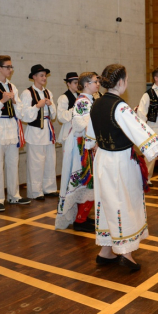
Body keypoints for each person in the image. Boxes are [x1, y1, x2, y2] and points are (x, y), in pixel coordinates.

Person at [91, 64, 158, 271]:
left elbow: (93, 138)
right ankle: (125, 253)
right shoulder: (120, 107)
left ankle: (106, 251)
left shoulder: (96, 104)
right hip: (119, 161)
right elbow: (146, 136)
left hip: (102, 160)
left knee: (108, 201)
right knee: (123, 203)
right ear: (122, 82)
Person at [0, 55, 29, 212]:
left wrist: (15, 102)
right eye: (7, 67)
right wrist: (1, 101)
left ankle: (14, 195)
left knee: (12, 162)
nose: (10, 69)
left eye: (11, 67)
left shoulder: (12, 87)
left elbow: (21, 113)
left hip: (12, 126)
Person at [56, 72, 100, 233]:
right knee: (86, 179)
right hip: (81, 146)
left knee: (87, 182)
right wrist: (93, 141)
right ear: (87, 84)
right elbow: (80, 124)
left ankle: (82, 217)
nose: (98, 84)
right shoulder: (82, 102)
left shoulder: (88, 100)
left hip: (85, 144)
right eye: (95, 81)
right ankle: (80, 220)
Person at [20, 64, 58, 200]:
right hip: (35, 131)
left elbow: (54, 115)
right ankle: (36, 191)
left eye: (45, 75)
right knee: (36, 162)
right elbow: (24, 115)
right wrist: (37, 106)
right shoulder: (27, 93)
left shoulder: (49, 93)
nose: (44, 78)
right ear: (34, 77)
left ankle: (49, 188)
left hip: (47, 130)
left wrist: (50, 105)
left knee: (50, 160)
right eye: (41, 75)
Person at [56, 72, 79, 145]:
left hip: (79, 129)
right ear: (68, 84)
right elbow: (61, 117)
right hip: (69, 129)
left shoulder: (80, 96)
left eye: (78, 83)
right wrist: (74, 109)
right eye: (75, 83)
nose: (77, 85)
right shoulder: (64, 97)